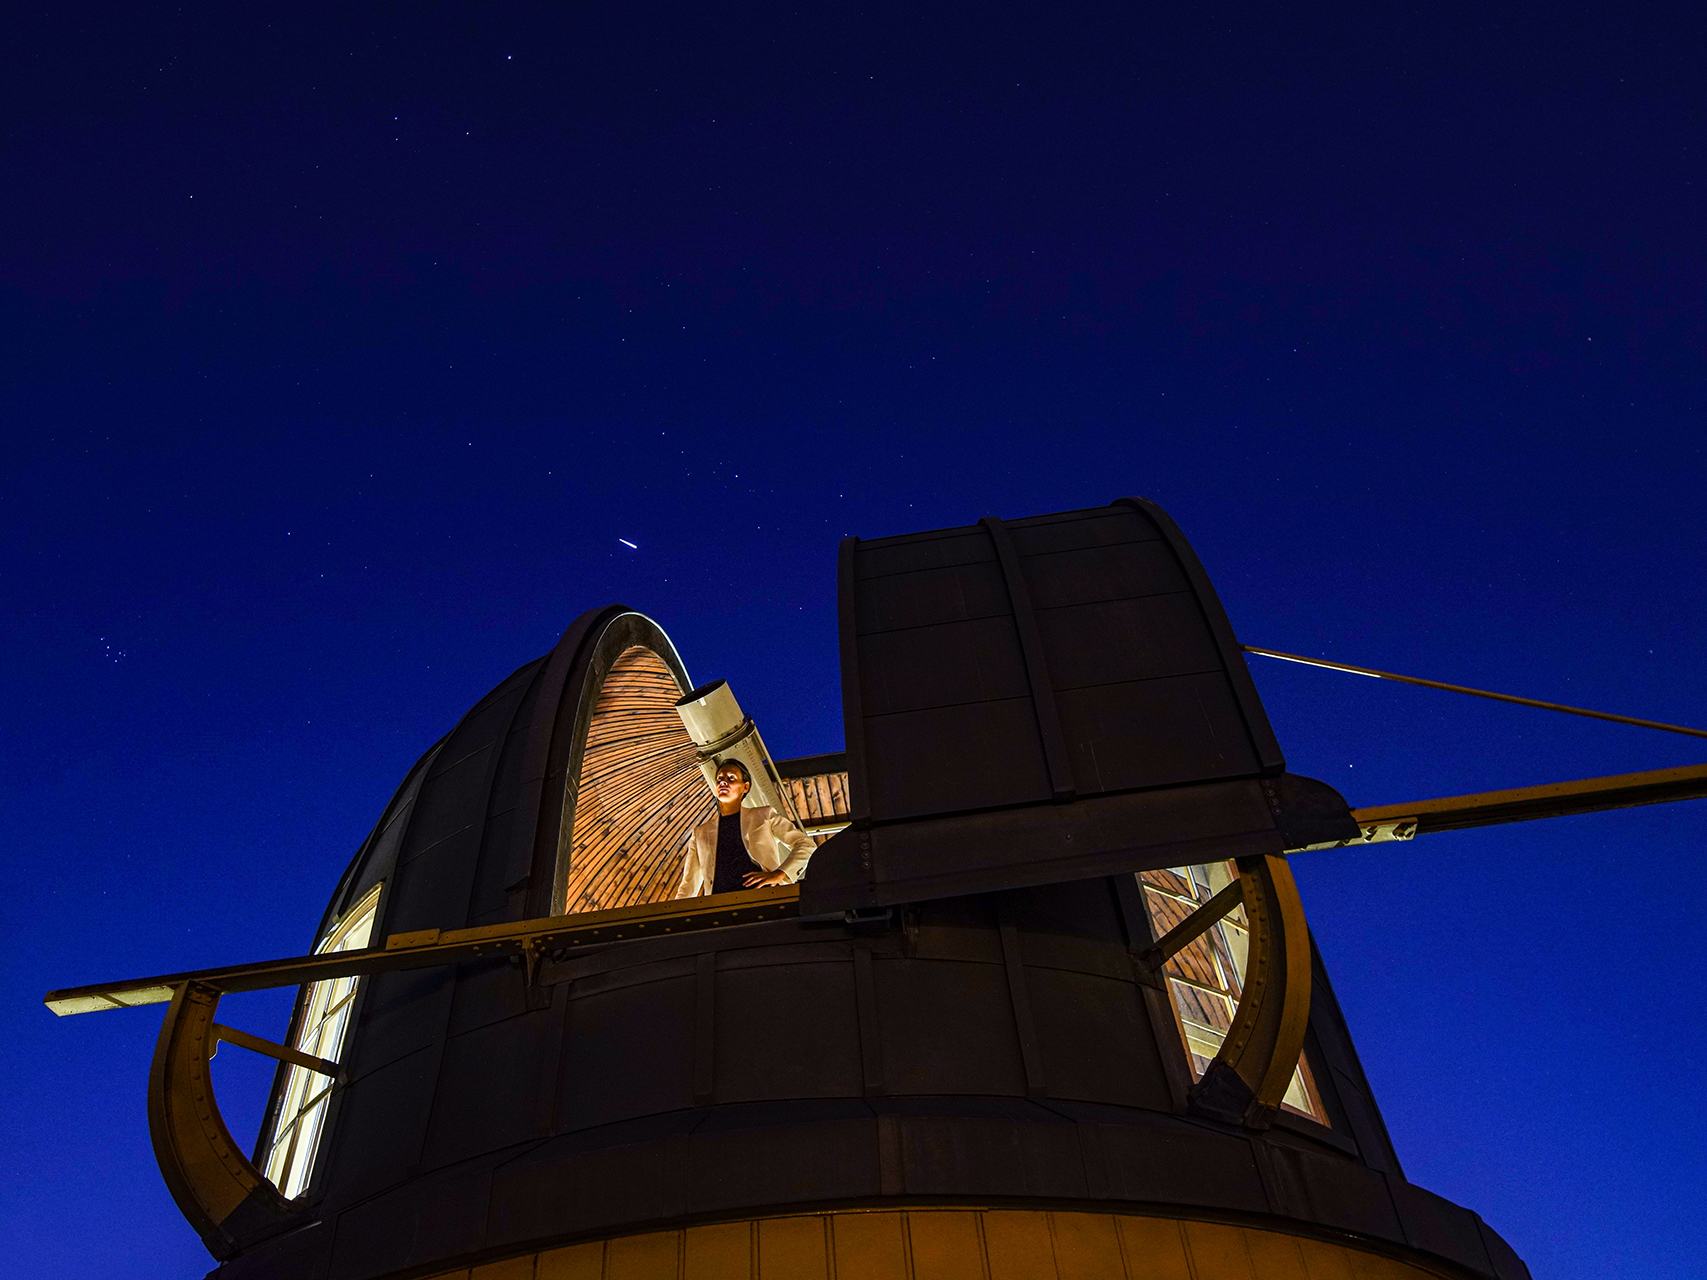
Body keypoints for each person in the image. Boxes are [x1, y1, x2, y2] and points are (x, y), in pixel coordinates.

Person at [674, 758, 816, 897]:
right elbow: (688, 884)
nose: (723, 781)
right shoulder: (700, 832)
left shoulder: (764, 815)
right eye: (719, 778)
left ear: (745, 787)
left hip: (763, 899)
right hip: (719, 908)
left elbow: (806, 844)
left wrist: (780, 874)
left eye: (731, 778)